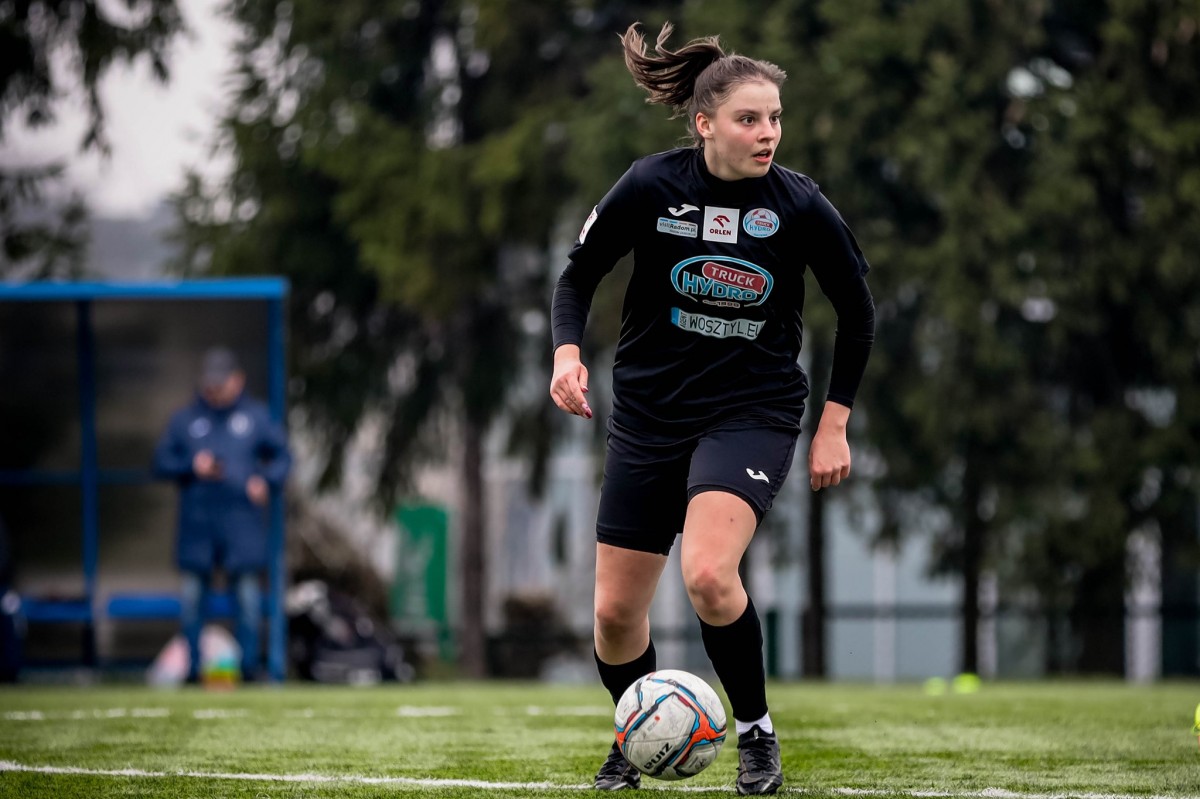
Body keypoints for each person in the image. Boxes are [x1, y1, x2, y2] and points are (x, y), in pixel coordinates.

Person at [549, 22, 875, 795]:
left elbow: (858, 310)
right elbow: (577, 277)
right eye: (749, 119)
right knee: (614, 616)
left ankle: (756, 734)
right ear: (704, 124)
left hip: (750, 412)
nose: (768, 134)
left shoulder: (799, 203)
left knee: (707, 572)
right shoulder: (649, 186)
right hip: (649, 414)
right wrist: (565, 354)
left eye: (775, 119)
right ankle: (636, 734)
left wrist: (835, 421)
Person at [153, 347, 291, 683]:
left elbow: (284, 458)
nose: (214, 389)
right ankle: (193, 671)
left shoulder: (255, 417)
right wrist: (192, 466)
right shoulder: (185, 420)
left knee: (247, 601)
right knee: (191, 601)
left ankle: (248, 670)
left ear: (237, 380)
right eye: (210, 383)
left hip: (241, 525)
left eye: (221, 382)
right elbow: (160, 463)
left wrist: (265, 480)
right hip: (197, 525)